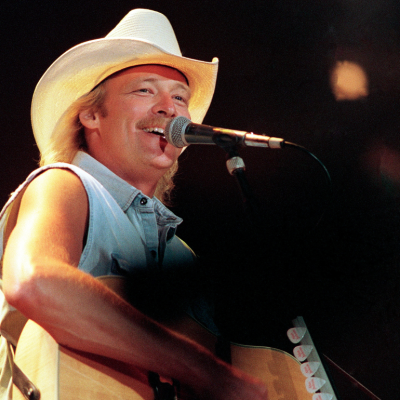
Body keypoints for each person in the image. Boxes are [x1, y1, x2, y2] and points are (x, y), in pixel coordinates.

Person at [0, 9, 268, 400]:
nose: (169, 108)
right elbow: (35, 281)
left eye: (180, 97)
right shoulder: (66, 183)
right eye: (145, 90)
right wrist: (209, 373)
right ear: (91, 114)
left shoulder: (181, 254)